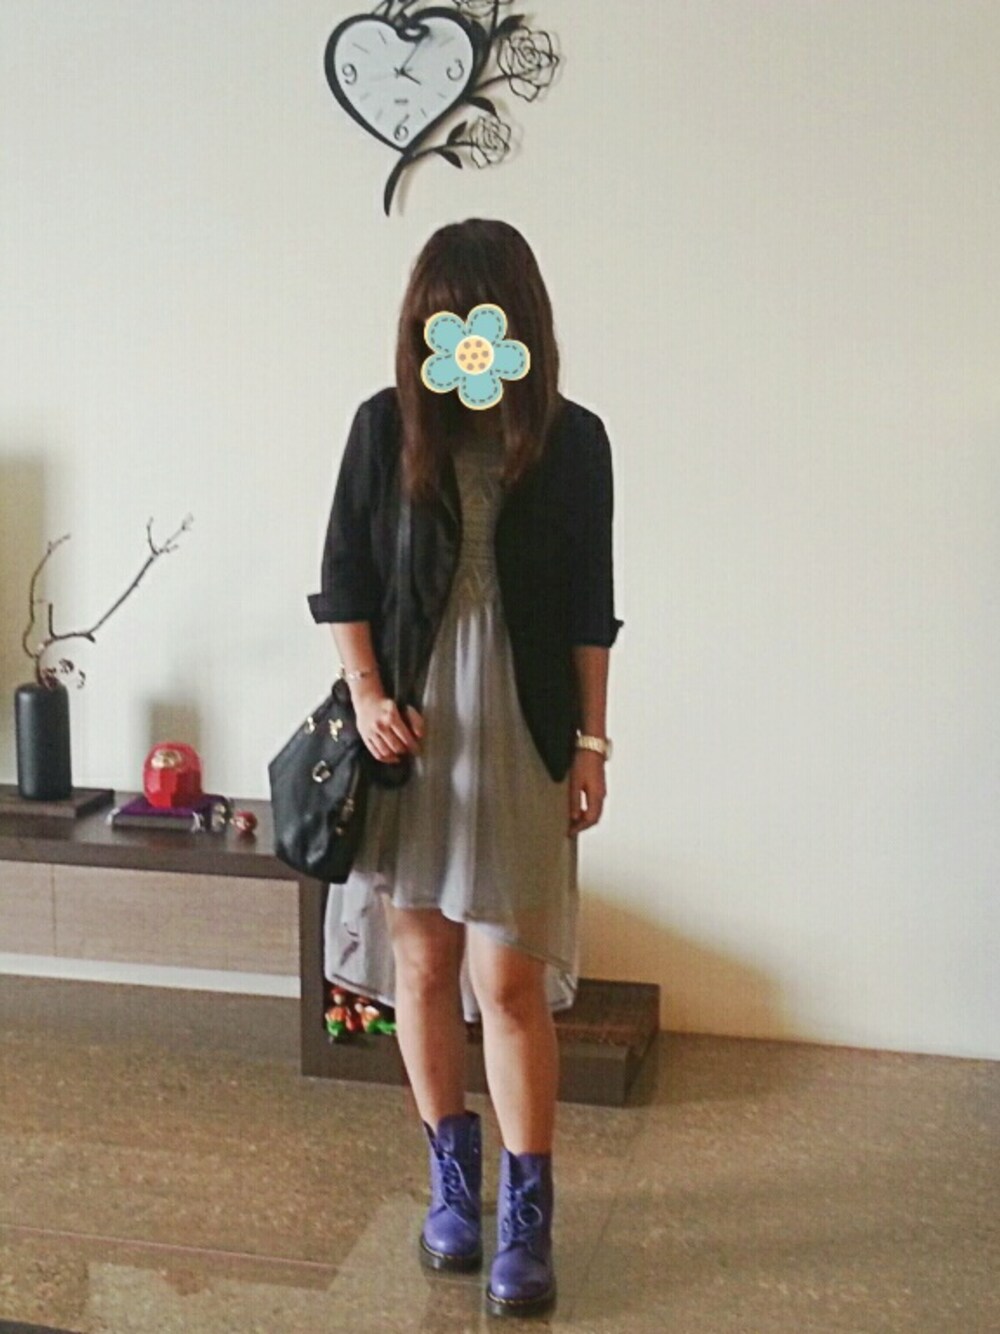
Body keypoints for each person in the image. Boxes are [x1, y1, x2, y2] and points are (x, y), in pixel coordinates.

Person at [307, 218, 623, 1319]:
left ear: (518, 324)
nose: (462, 337)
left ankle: (527, 1216)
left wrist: (591, 743)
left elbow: (591, 607)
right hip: (415, 737)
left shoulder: (574, 442)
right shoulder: (382, 427)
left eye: (481, 316)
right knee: (423, 966)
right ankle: (453, 1185)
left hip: (524, 732)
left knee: (509, 982)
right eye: (442, 318)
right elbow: (343, 578)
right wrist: (367, 697)